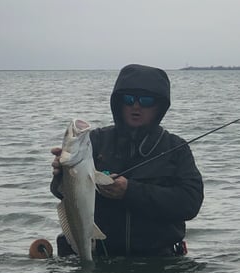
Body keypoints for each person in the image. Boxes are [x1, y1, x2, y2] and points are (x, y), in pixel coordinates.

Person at [51, 64, 204, 257]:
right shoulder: (94, 141)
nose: (136, 106)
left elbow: (190, 203)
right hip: (99, 256)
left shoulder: (176, 148)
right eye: (129, 99)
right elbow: (61, 194)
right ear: (119, 103)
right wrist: (61, 175)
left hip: (157, 263)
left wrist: (130, 192)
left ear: (159, 107)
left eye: (146, 101)